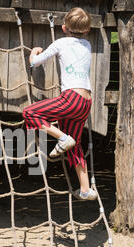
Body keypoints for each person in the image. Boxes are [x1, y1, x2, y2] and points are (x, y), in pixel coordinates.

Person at [22, 7, 97, 201]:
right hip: (86, 102)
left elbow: (35, 63)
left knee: (30, 113)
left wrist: (34, 52)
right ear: (87, 30)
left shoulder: (61, 42)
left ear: (64, 28)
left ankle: (61, 138)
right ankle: (85, 189)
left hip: (71, 99)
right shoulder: (87, 45)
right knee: (76, 145)